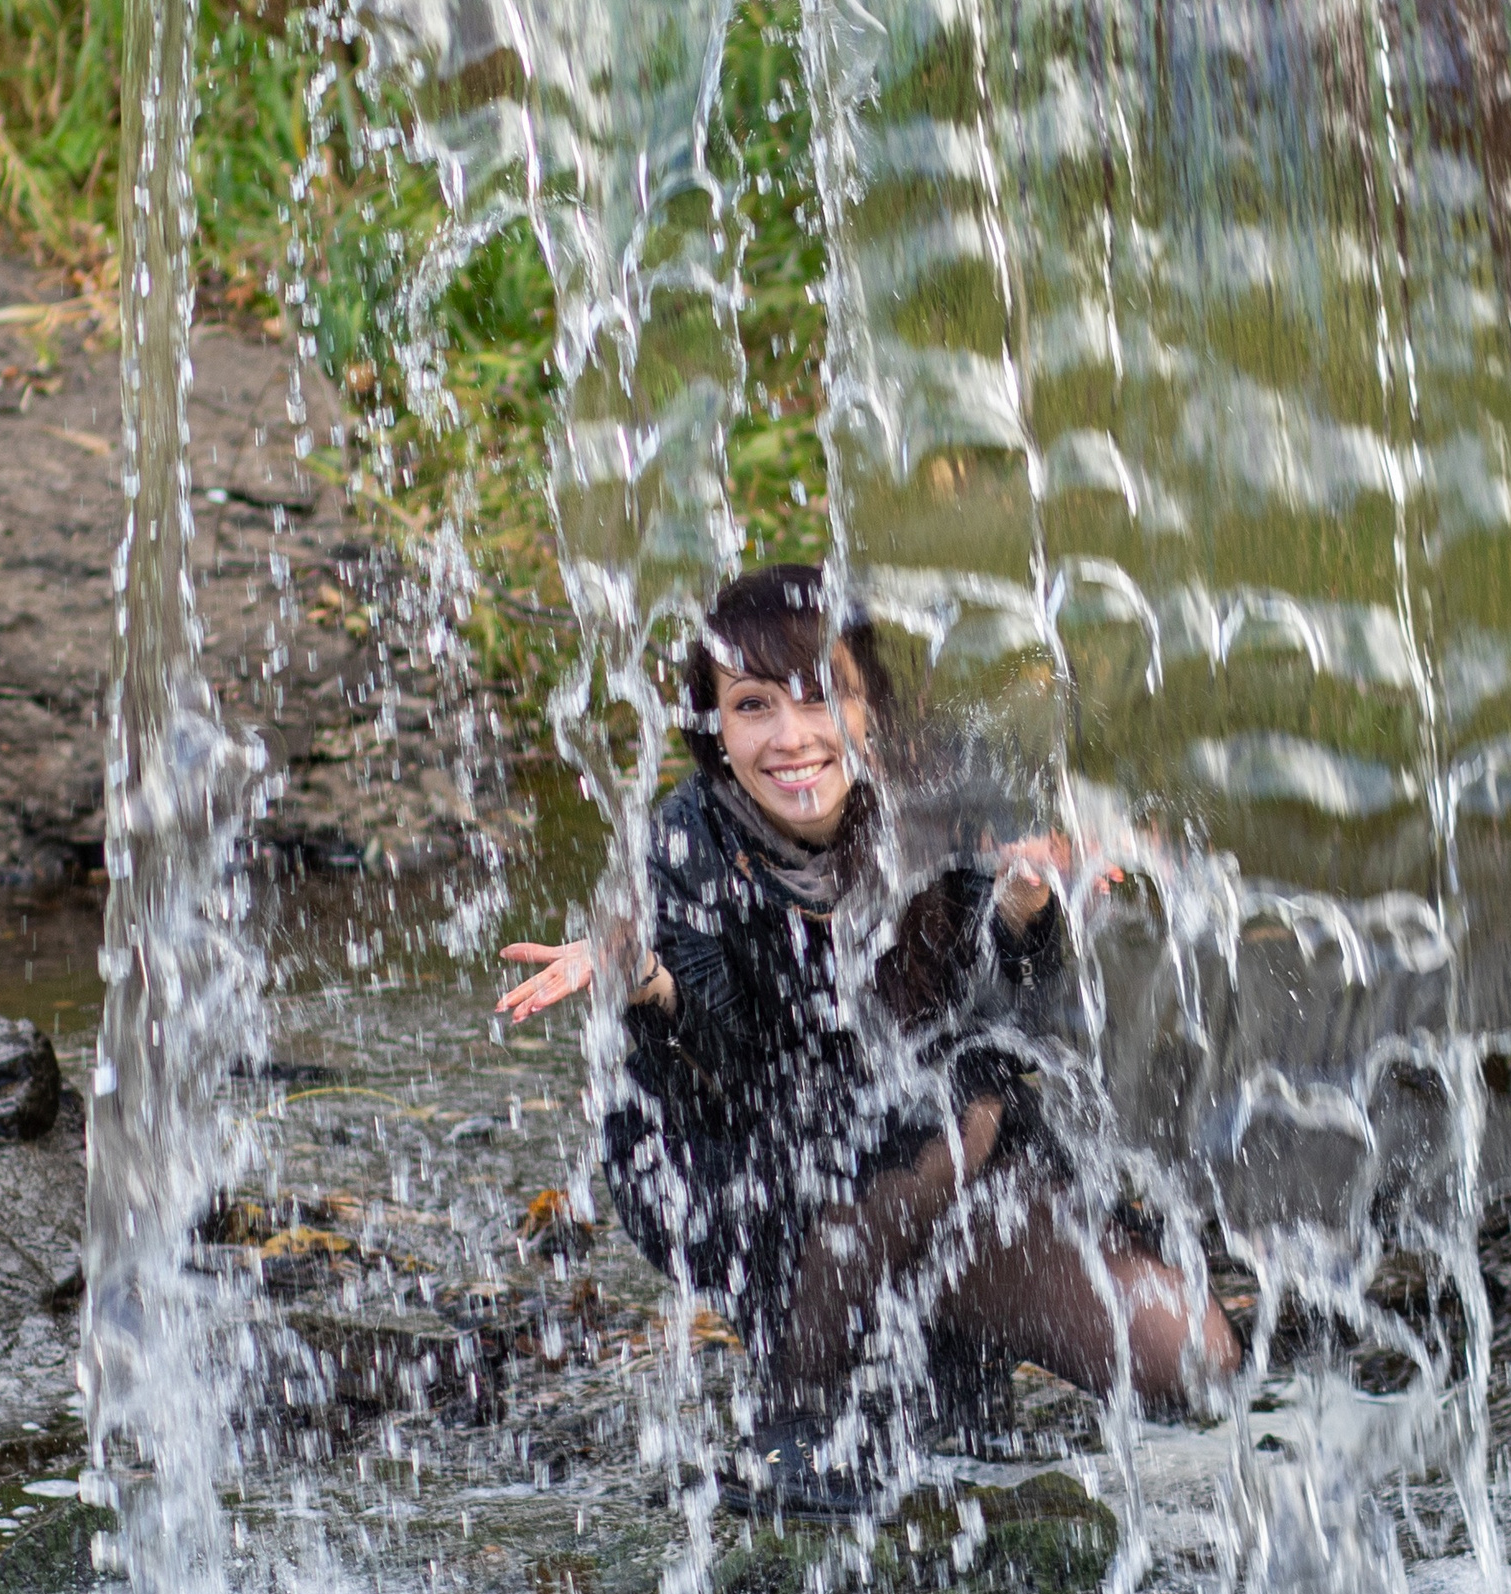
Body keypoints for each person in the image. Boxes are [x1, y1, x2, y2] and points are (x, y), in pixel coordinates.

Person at [497, 564, 1239, 1511]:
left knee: (1192, 1355)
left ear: (871, 709)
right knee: (949, 1126)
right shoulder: (685, 838)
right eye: (754, 705)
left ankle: (948, 1348)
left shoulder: (938, 804)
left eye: (822, 697)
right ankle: (800, 1404)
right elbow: (725, 1066)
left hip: (948, 1161)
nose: (791, 737)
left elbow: (1028, 1028)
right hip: (759, 1174)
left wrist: (1022, 912)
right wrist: (649, 983)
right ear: (714, 725)